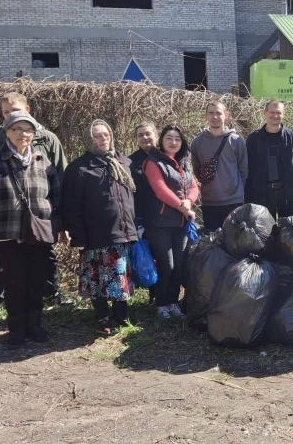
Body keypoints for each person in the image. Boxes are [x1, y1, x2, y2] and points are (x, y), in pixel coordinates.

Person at [0, 92, 68, 317]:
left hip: (39, 219)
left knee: (45, 259)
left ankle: (51, 293)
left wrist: (60, 221)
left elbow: (60, 181)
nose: (11, 116)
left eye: (15, 111)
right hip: (6, 220)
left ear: (27, 109)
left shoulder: (48, 139)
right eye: (6, 113)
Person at [62, 120, 138, 335]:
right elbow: (71, 205)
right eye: (97, 136)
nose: (103, 139)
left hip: (122, 232)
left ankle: (121, 316)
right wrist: (78, 235)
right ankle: (102, 317)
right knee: (98, 280)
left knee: (119, 276)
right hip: (95, 235)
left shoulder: (124, 162)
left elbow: (132, 198)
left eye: (105, 134)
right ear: (89, 139)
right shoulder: (79, 167)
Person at [144, 125, 199, 320]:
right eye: (169, 138)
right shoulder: (153, 162)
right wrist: (182, 206)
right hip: (160, 223)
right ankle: (161, 304)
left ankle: (173, 303)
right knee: (166, 265)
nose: (173, 142)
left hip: (181, 223)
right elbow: (160, 190)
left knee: (179, 265)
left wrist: (189, 201)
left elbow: (194, 186)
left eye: (177, 138)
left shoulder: (184, 162)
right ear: (162, 140)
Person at [191, 101, 248, 231]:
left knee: (234, 242)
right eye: (211, 113)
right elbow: (197, 170)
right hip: (210, 201)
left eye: (218, 113)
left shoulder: (236, 140)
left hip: (234, 200)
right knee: (213, 242)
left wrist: (236, 189)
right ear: (206, 116)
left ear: (226, 115)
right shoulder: (198, 142)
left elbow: (243, 170)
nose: (215, 117)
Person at [245, 100, 293, 219]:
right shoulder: (253, 138)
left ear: (283, 114)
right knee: (265, 234)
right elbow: (248, 170)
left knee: (287, 234)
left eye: (279, 113)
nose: (275, 116)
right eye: (272, 112)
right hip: (262, 195)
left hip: (287, 195)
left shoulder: (291, 136)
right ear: (265, 113)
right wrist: (248, 200)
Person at [130, 122, 158, 304]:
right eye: (140, 135)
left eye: (148, 133)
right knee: (148, 254)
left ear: (155, 135)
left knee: (163, 255)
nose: (145, 138)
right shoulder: (130, 162)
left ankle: (164, 293)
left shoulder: (164, 156)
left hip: (164, 215)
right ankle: (152, 294)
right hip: (142, 216)